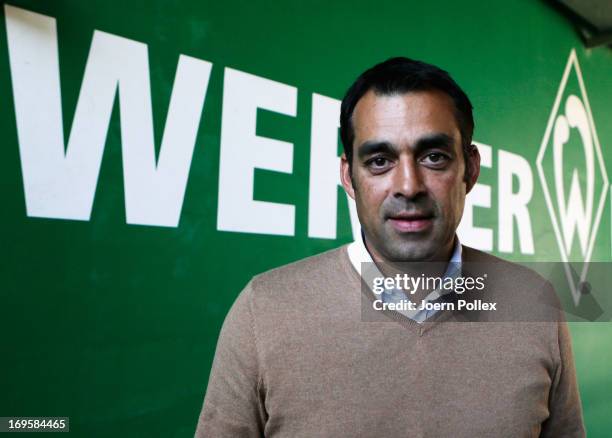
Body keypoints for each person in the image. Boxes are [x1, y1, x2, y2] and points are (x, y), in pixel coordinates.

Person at [195, 57, 585, 437]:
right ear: (349, 176)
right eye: (380, 161)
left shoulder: (536, 304)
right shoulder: (263, 310)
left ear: (470, 168)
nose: (409, 185)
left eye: (434, 157)